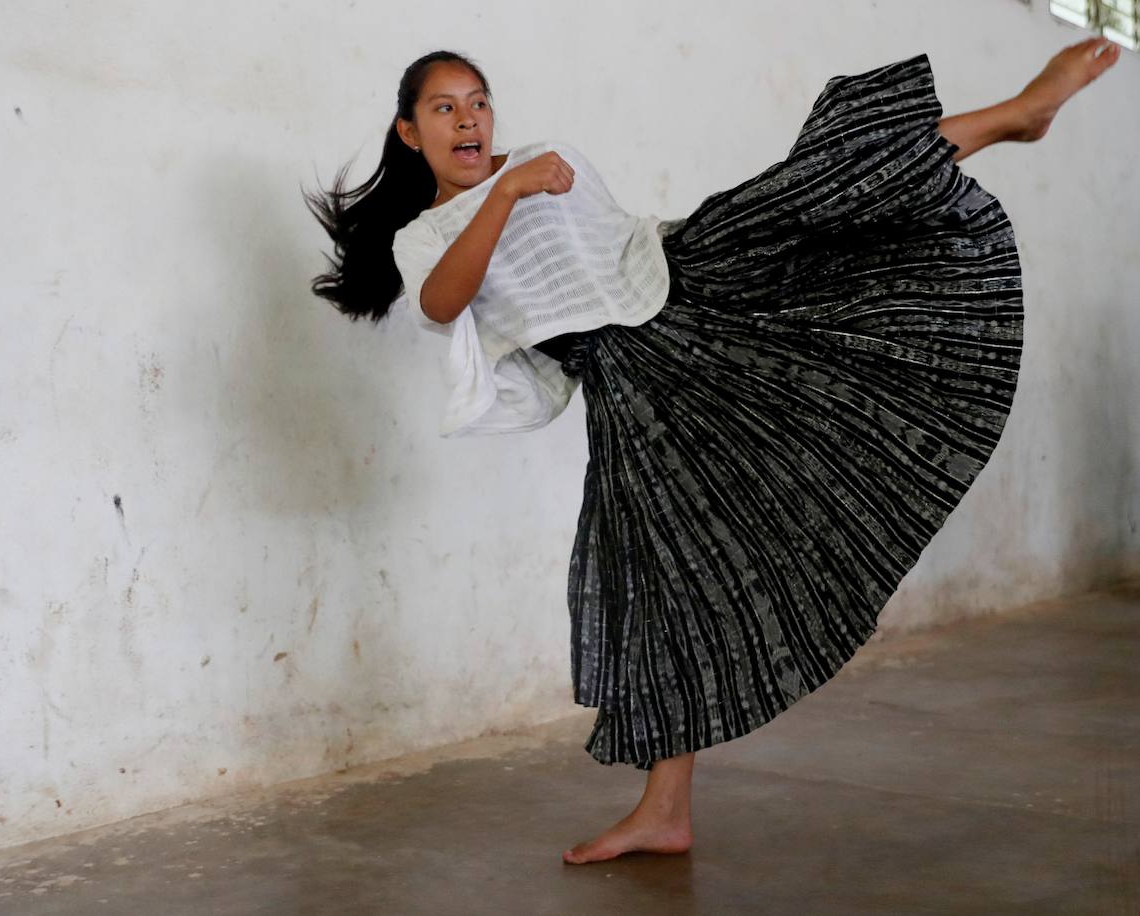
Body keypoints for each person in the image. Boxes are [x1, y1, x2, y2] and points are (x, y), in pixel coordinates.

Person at [303, 37, 1120, 865]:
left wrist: (519, 180)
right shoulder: (429, 235)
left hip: (688, 281)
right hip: (631, 387)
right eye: (445, 108)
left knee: (816, 189)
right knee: (661, 584)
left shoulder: (546, 159)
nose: (469, 119)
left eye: (478, 101)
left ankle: (1020, 113)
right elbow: (446, 303)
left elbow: (618, 253)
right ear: (410, 133)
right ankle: (665, 810)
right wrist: (507, 192)